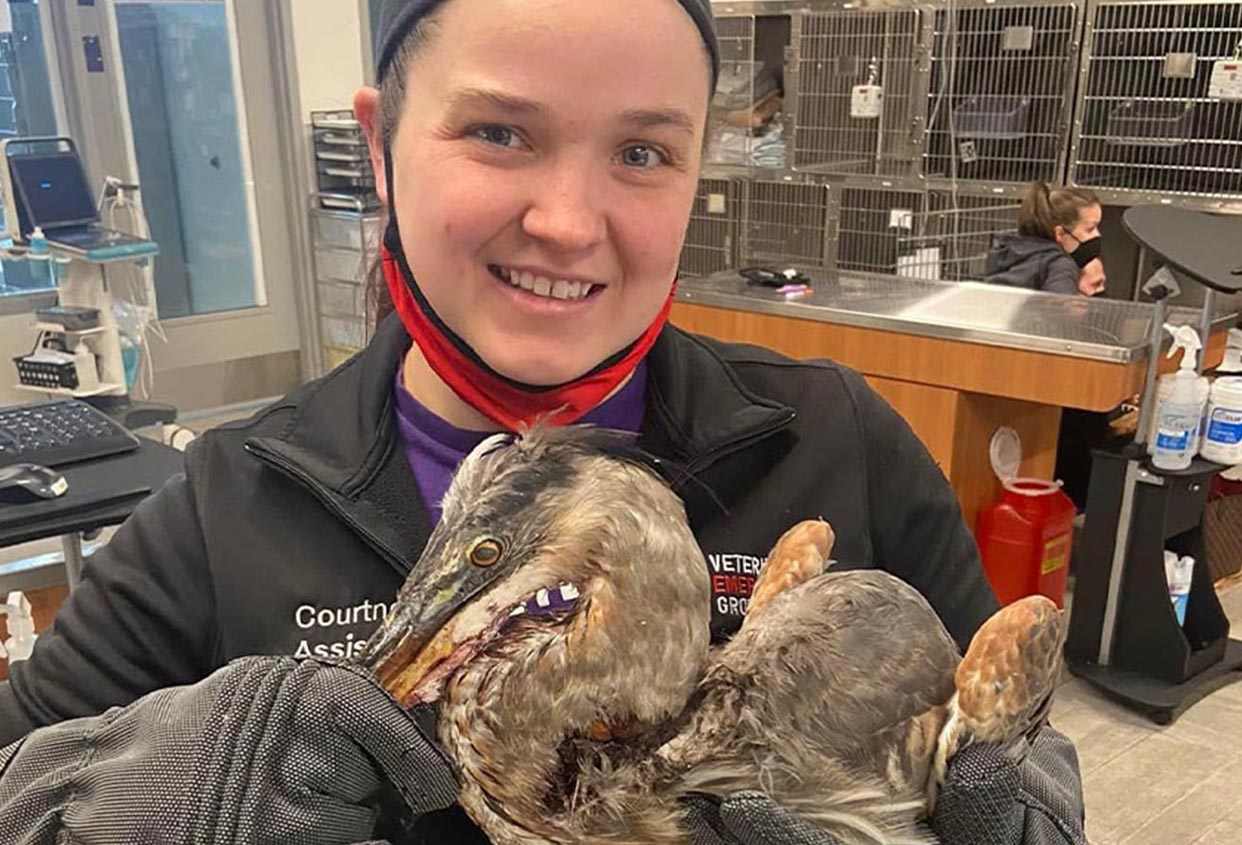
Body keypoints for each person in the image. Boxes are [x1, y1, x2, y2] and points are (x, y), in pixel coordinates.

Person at [0, 2, 1087, 843]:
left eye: (644, 151)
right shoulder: (229, 503)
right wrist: (159, 787)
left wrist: (1009, 809)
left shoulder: (833, 441)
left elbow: (1005, 744)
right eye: (499, 131)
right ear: (379, 148)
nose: (567, 222)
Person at [987, 181, 1107, 297]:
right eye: (1090, 229)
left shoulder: (1006, 250)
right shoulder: (1060, 266)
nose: (1098, 235)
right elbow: (1058, 314)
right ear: (1060, 234)